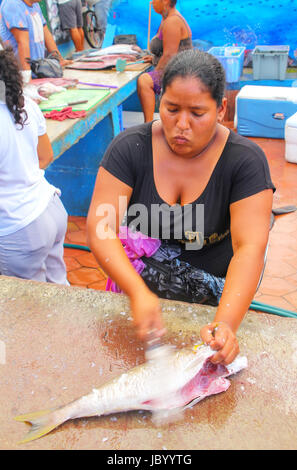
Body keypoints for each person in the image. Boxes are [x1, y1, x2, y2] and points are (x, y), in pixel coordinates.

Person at [86, 49, 275, 365]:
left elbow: (249, 248)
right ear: (159, 101)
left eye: (197, 113)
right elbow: (101, 227)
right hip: (140, 297)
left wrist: (224, 323)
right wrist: (138, 293)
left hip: (213, 302)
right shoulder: (129, 149)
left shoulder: (245, 162)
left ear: (221, 109)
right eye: (171, 109)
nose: (181, 124)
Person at [0, 41, 69, 285]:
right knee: (60, 292)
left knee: (29, 313)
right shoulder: (25, 104)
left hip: (21, 229)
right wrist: (22, 175)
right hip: (50, 209)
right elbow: (45, 156)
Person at [137, 0, 192, 123]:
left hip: (180, 72)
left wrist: (155, 77)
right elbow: (166, 50)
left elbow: (169, 55)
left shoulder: (172, 21)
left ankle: (148, 126)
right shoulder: (166, 19)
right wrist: (154, 59)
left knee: (144, 81)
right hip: (174, 68)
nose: (152, 2)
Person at [0, 0, 72, 84]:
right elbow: (22, 42)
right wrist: (27, 77)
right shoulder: (12, 4)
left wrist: (59, 59)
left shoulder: (35, 4)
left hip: (36, 71)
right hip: (18, 75)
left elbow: (46, 33)